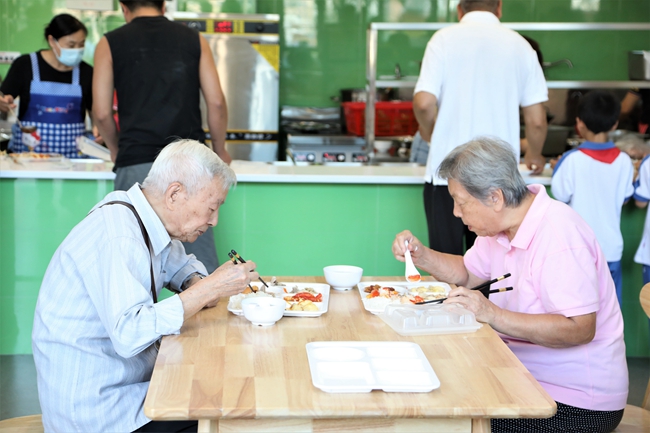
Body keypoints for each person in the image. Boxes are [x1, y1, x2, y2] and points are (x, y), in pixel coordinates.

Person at [392, 137, 627, 433]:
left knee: (445, 420)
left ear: (495, 197)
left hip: (575, 402)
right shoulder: (500, 230)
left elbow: (580, 328)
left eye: (461, 202)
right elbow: (466, 273)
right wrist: (421, 255)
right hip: (517, 373)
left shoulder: (558, 234)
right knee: (428, 385)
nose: (455, 213)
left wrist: (493, 314)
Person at [32, 139, 256, 433]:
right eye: (212, 208)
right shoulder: (120, 234)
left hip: (127, 384)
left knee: (221, 389)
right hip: (100, 410)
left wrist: (197, 282)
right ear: (175, 194)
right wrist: (209, 289)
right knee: (225, 413)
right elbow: (129, 333)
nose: (214, 221)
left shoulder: (146, 220)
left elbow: (184, 266)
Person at [93, 0, 230, 273]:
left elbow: (101, 113)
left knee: (129, 264)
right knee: (201, 272)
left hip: (136, 162)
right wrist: (219, 151)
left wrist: (117, 149)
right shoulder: (194, 39)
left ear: (123, 7)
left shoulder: (109, 43)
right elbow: (215, 102)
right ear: (164, 5)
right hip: (192, 168)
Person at [412, 0, 548, 255]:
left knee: (447, 267)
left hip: (447, 178)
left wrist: (429, 132)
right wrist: (534, 154)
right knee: (495, 269)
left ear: (459, 9)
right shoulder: (521, 46)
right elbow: (537, 120)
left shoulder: (442, 40)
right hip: (498, 184)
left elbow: (424, 103)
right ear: (499, 7)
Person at [551, 90, 634, 305]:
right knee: (611, 310)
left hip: (579, 249)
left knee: (579, 307)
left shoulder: (571, 160)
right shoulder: (624, 161)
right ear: (615, 124)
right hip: (611, 249)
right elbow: (625, 197)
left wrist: (556, 167)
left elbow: (560, 196)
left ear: (579, 123)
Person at [0, 14, 95, 158]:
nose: (77, 49)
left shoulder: (87, 72)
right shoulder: (25, 65)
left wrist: (99, 132)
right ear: (52, 40)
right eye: (71, 45)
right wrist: (4, 103)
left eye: (81, 44)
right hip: (28, 159)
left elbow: (97, 113)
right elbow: (4, 98)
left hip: (73, 161)